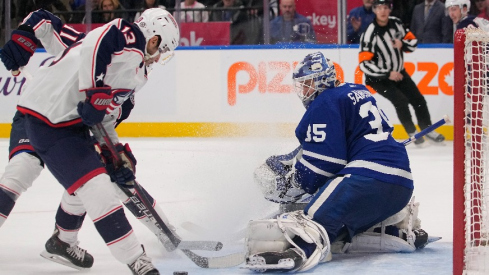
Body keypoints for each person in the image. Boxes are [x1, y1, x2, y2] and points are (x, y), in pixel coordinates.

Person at [0, 7, 179, 275]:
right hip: (35, 114)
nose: (159, 57)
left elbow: (103, 119)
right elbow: (45, 20)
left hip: (69, 129)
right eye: (161, 49)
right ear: (153, 39)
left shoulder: (134, 80)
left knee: (98, 182)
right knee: (21, 171)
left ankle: (64, 240)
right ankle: (71, 241)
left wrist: (114, 152)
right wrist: (24, 36)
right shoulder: (120, 35)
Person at [242, 52, 430, 272]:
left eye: (308, 83)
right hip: (401, 185)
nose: (304, 91)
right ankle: (394, 233)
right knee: (337, 224)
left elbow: (324, 164)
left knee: (312, 216)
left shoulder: (325, 101)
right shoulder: (356, 91)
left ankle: (298, 250)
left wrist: (293, 184)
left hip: (368, 179)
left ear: (323, 80)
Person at [359, 0, 445, 145]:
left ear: (390, 9)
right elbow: (364, 64)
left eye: (385, 7)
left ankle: (427, 129)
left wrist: (402, 44)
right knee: (401, 101)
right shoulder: (369, 33)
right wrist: (387, 73)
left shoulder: (396, 23)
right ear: (374, 10)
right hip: (378, 78)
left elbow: (413, 43)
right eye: (379, 8)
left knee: (419, 100)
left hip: (399, 73)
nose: (383, 11)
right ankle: (412, 132)